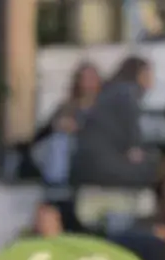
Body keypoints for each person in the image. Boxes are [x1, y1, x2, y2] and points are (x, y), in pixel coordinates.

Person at [71, 55, 158, 189]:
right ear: (139, 74)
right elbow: (133, 136)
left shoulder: (110, 91)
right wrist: (136, 148)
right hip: (106, 167)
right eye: (148, 74)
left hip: (87, 164)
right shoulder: (127, 92)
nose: (152, 79)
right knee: (158, 165)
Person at [28, 62, 101, 187]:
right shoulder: (67, 106)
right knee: (56, 141)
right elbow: (43, 131)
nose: (89, 83)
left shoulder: (103, 106)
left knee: (60, 142)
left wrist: (79, 128)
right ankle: (55, 183)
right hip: (64, 147)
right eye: (85, 78)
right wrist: (58, 125)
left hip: (89, 146)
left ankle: (56, 182)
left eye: (92, 78)